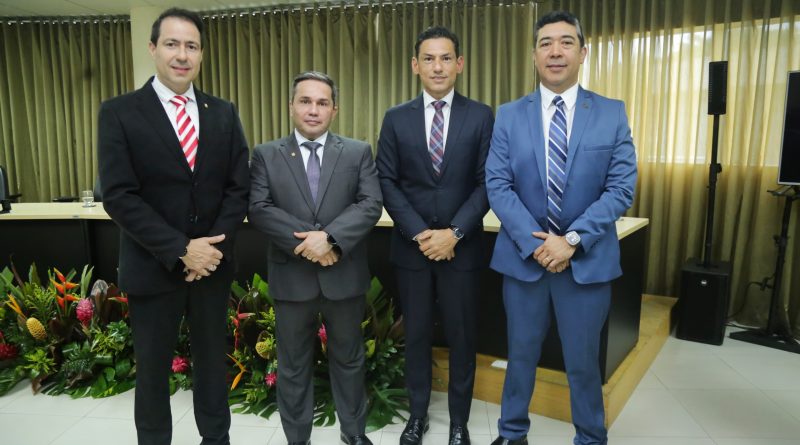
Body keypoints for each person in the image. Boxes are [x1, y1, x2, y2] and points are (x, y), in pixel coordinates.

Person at [97, 7, 250, 445]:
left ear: (201, 54)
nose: (182, 55)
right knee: (152, 373)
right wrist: (183, 249)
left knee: (213, 367)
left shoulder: (223, 112)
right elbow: (119, 195)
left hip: (211, 269)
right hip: (152, 266)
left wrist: (210, 251)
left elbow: (238, 186)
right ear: (152, 48)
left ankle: (216, 439)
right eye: (172, 44)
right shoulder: (120, 112)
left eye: (191, 46)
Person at [485, 10, 637, 445]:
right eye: (546, 43)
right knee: (519, 356)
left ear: (583, 52)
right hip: (525, 262)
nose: (556, 51)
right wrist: (538, 245)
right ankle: (512, 433)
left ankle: (590, 437)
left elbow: (621, 187)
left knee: (583, 363)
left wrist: (570, 240)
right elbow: (497, 184)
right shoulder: (509, 115)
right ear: (534, 55)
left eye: (566, 42)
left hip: (586, 263)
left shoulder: (610, 113)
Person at [248, 71, 382, 445]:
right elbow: (259, 208)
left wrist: (331, 239)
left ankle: (354, 433)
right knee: (293, 365)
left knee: (350, 360)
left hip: (344, 276)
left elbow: (371, 203)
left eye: (322, 103)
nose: (313, 110)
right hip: (292, 278)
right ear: (291, 106)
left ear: (334, 109)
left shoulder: (357, 152)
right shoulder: (266, 154)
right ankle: (297, 438)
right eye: (305, 101)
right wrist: (311, 243)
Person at [376, 26, 494, 445]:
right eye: (429, 58)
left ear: (459, 64)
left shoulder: (481, 116)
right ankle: (417, 416)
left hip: (463, 251)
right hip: (413, 251)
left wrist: (454, 233)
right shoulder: (396, 118)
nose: (438, 66)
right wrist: (423, 234)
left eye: (446, 58)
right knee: (417, 336)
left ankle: (459, 422)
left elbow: (487, 182)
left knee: (462, 337)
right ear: (415, 65)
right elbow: (387, 181)